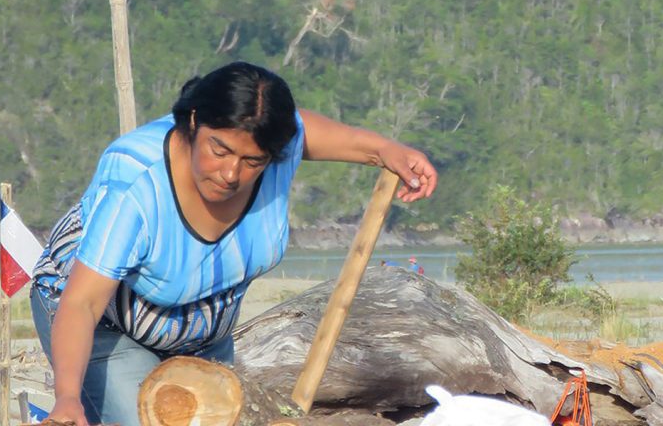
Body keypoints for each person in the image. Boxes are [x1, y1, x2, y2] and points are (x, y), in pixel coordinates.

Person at [30, 61, 438, 426]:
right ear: (194, 121)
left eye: (252, 161)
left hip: (203, 339)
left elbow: (301, 127)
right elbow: (82, 303)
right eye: (219, 150)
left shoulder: (276, 146)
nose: (230, 174)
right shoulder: (135, 181)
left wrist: (385, 150)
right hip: (101, 323)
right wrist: (68, 398)